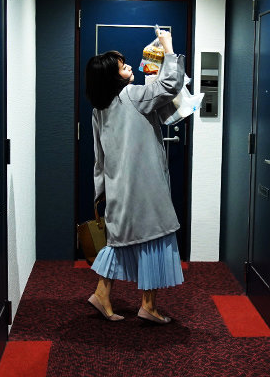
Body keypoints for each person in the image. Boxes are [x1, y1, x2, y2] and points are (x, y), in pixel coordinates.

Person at [84, 28, 185, 324]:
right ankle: (148, 306)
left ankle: (101, 294)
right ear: (111, 77)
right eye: (121, 66)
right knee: (155, 237)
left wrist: (100, 192)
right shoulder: (133, 95)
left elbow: (99, 156)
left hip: (119, 187)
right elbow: (170, 84)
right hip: (145, 187)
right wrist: (168, 46)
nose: (128, 66)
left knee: (120, 240)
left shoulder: (99, 109)